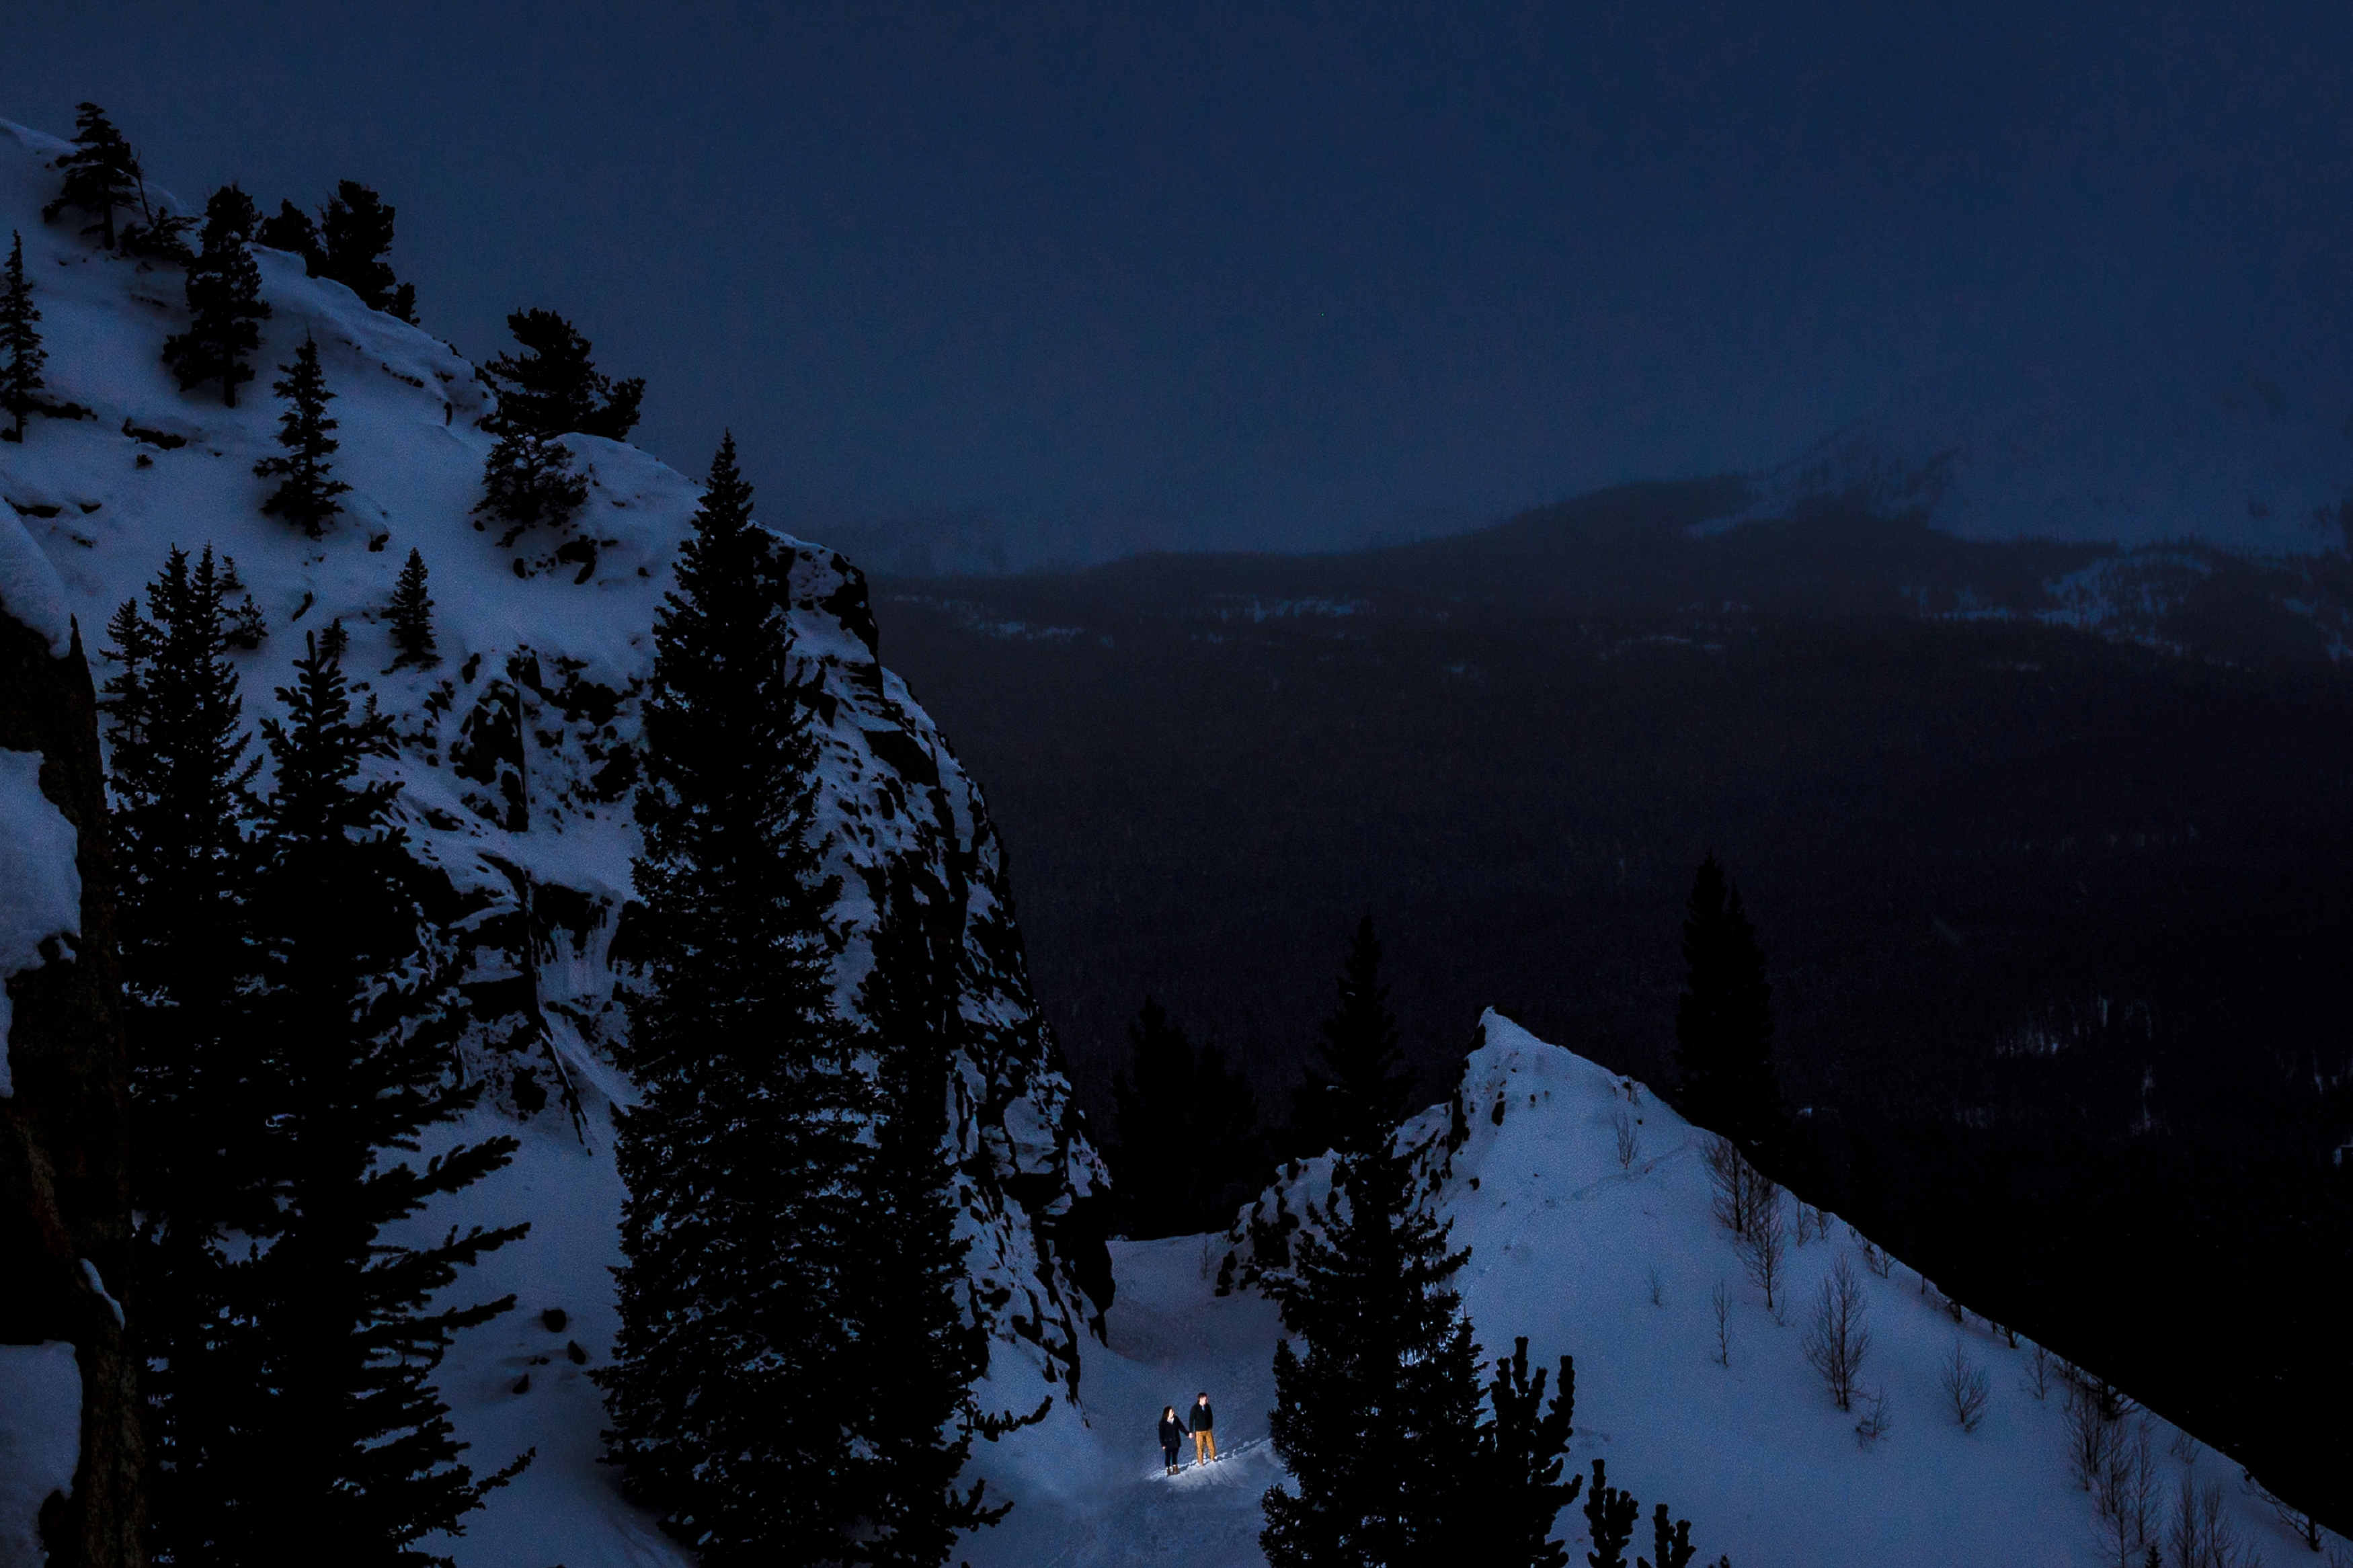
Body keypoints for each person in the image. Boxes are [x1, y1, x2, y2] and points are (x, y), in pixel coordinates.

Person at [1189, 1391, 1217, 1465]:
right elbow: (1191, 1420)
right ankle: (1201, 1463)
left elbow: (1211, 1417)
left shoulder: (1208, 1407)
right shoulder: (1195, 1408)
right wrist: (1191, 1431)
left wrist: (1211, 1426)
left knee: (1212, 1445)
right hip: (1199, 1432)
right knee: (1200, 1447)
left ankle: (1213, 1459)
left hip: (1208, 1430)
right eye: (1205, 1399)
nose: (1207, 1400)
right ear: (1201, 1399)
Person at [1158, 1405, 1185, 1475]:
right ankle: (1168, 1469)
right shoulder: (1162, 1423)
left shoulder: (1176, 1419)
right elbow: (1161, 1435)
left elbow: (1181, 1427)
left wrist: (1187, 1433)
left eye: (1173, 1412)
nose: (1173, 1413)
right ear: (1167, 1413)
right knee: (1168, 1456)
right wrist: (1163, 1444)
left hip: (1176, 1442)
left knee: (1175, 1455)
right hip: (1168, 1443)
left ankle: (1175, 1468)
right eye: (1172, 1412)